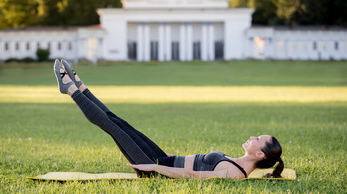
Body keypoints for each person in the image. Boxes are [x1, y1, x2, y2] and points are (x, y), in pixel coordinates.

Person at [53, 59, 284, 180]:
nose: (253, 137)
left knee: (112, 126)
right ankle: (81, 87)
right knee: (120, 122)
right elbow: (197, 163)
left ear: (260, 154)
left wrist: (153, 167)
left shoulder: (234, 173)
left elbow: (193, 175)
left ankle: (71, 90)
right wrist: (170, 158)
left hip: (155, 170)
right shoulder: (237, 163)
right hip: (164, 160)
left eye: (258, 139)